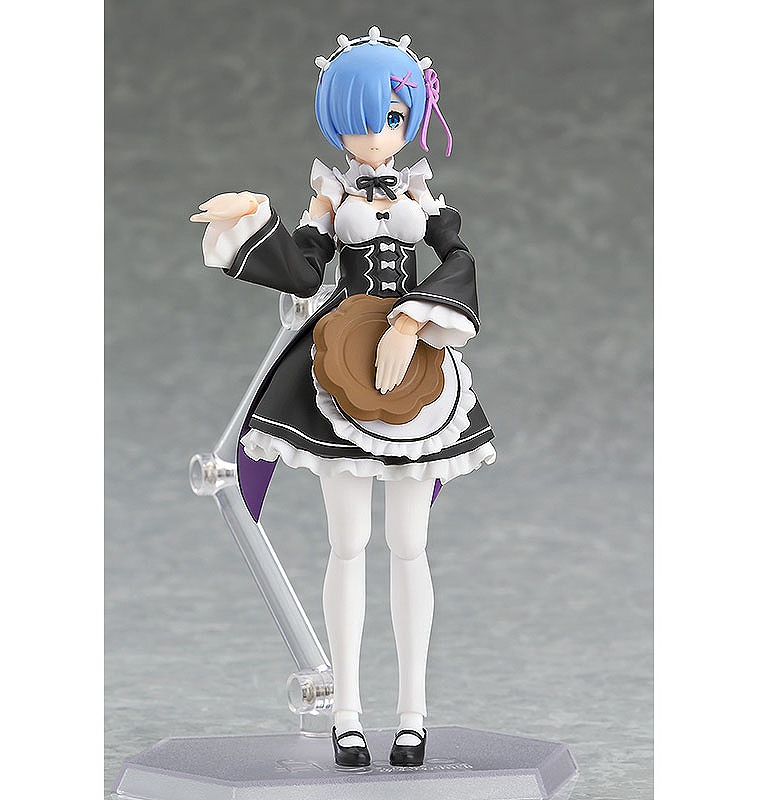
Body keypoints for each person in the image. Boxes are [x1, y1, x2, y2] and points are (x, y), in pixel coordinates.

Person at [190, 27, 495, 768]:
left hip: (415, 362)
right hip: (342, 364)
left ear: (411, 116)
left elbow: (459, 258)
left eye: (392, 117)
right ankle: (348, 717)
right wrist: (249, 219)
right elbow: (303, 269)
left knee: (411, 545)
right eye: (360, 119)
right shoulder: (331, 194)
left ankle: (414, 715)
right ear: (335, 120)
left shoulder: (420, 190)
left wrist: (414, 320)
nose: (376, 135)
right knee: (348, 543)